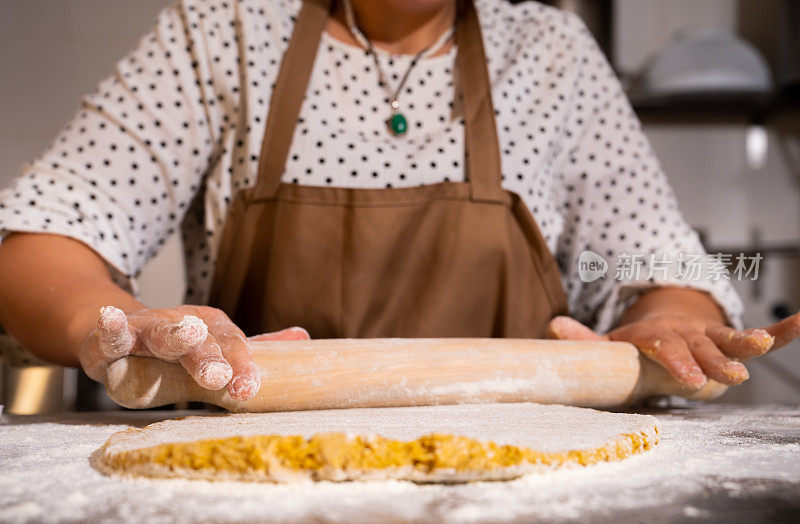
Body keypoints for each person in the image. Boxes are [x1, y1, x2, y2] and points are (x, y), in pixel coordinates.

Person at [0, 0, 797, 404]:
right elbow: (50, 230)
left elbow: (653, 254)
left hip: (535, 494)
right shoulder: (225, 31)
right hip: (249, 492)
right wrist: (104, 322)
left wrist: (673, 308)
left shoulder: (549, 51)